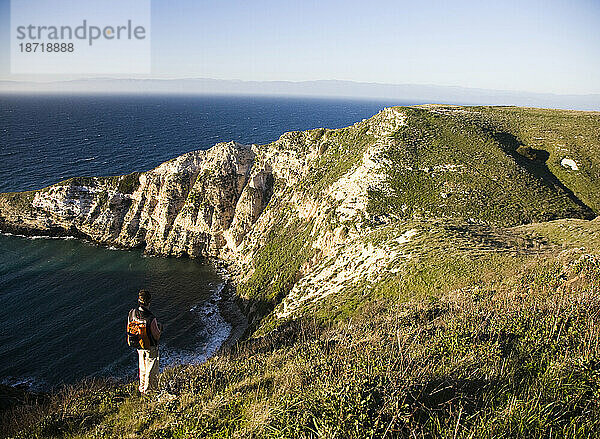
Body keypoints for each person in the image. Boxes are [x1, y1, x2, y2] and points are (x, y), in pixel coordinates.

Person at [127, 290, 162, 394]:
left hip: (139, 345)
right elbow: (156, 335)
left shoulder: (132, 313)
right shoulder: (151, 318)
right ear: (149, 302)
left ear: (139, 301)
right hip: (150, 347)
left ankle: (142, 388)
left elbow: (129, 327)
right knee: (151, 369)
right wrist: (160, 328)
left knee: (142, 367)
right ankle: (150, 391)